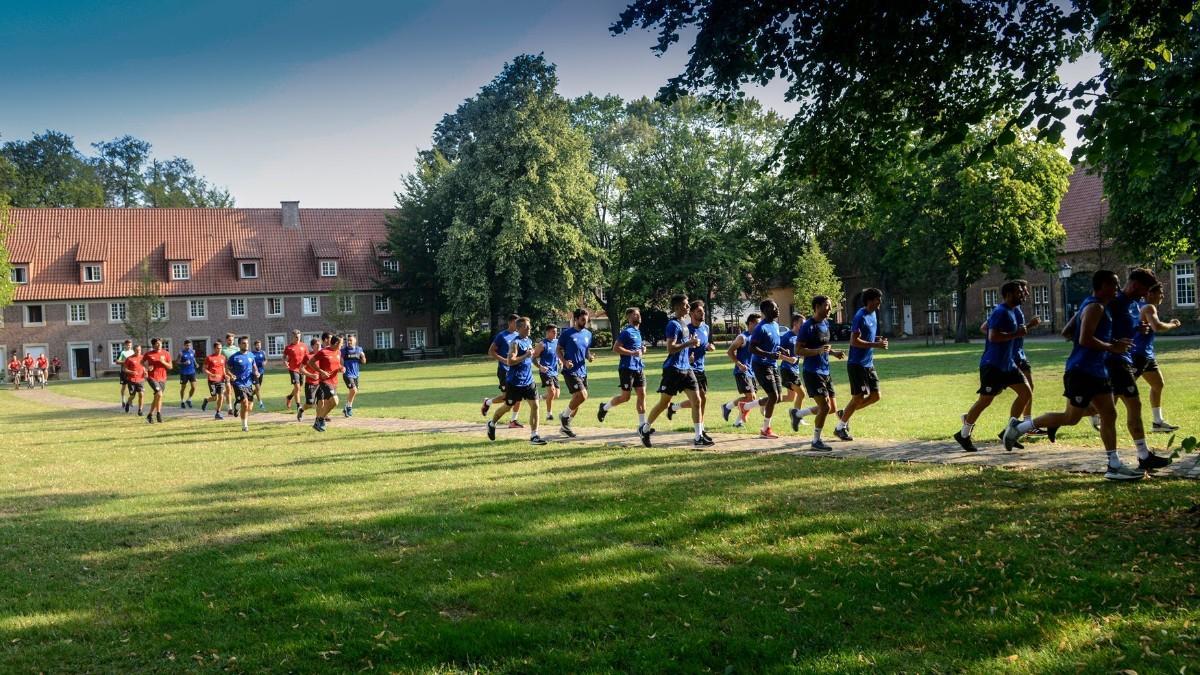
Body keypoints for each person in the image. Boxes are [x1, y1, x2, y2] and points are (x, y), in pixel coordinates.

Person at [1005, 271, 1146, 480]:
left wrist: (1105, 344)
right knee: (1071, 418)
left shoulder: (1099, 306)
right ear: (1102, 286)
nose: (1117, 289)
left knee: (1109, 414)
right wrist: (1110, 347)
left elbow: (1068, 332)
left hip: (1097, 369)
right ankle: (1020, 426)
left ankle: (1114, 465)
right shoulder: (1095, 306)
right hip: (1082, 371)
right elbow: (1084, 338)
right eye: (1114, 285)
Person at [952, 281, 1032, 453]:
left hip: (1008, 365)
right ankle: (963, 434)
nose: (1022, 294)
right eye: (1019, 292)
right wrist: (1017, 333)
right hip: (993, 365)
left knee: (1026, 393)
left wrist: (1022, 330)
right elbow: (993, 336)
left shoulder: (1012, 311)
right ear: (1009, 294)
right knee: (984, 401)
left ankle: (1009, 431)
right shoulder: (1000, 311)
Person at [639, 293, 709, 448]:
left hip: (686, 368)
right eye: (685, 305)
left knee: (697, 401)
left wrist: (690, 349)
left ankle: (698, 437)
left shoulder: (684, 323)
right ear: (677, 307)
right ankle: (645, 428)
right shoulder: (673, 325)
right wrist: (689, 343)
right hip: (673, 370)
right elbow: (670, 348)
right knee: (664, 403)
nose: (688, 307)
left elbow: (683, 345)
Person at [836, 289, 890, 440]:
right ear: (870, 300)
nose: (879, 303)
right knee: (858, 398)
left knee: (875, 396)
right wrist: (876, 344)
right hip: (856, 364)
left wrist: (877, 339)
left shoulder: (873, 313)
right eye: (877, 300)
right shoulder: (860, 316)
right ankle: (840, 427)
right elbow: (854, 341)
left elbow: (867, 335)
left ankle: (844, 414)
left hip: (868, 363)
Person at [797, 295, 847, 451]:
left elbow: (824, 346)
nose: (830, 309)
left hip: (825, 371)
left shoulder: (825, 324)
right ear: (817, 306)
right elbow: (798, 350)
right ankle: (816, 441)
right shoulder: (807, 326)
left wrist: (833, 353)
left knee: (832, 408)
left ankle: (798, 414)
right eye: (827, 306)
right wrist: (817, 351)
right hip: (812, 372)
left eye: (830, 306)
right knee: (824, 408)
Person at [486, 317, 547, 445]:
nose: (529, 328)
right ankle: (492, 423)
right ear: (519, 328)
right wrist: (525, 355)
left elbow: (532, 358)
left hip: (529, 381)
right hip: (514, 382)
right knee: (507, 407)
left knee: (535, 405)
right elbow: (510, 361)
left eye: (529, 326)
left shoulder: (529, 340)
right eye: (526, 326)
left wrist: (539, 366)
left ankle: (534, 435)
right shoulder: (515, 343)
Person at [1134, 282, 1183, 432]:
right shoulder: (1149, 307)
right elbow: (1157, 326)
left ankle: (1157, 422)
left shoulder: (1141, 306)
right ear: (1150, 293)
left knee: (1158, 384)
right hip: (1137, 355)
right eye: (1160, 292)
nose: (1162, 295)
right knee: (1119, 391)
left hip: (1146, 355)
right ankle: (1092, 411)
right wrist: (1173, 324)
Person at [667, 300, 716, 427]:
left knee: (702, 398)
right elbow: (679, 348)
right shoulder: (686, 329)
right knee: (699, 399)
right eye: (699, 311)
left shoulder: (706, 328)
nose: (702, 314)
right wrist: (688, 358)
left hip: (701, 367)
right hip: (688, 368)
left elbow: (703, 344)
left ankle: (674, 407)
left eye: (703, 311)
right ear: (692, 313)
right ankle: (700, 427)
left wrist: (709, 346)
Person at [597, 308, 647, 428]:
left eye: (638, 314)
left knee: (642, 394)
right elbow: (615, 348)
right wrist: (632, 353)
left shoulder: (638, 332)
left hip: (639, 367)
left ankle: (642, 426)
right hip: (627, 368)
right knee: (625, 397)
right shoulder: (627, 332)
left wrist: (642, 350)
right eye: (635, 314)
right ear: (628, 318)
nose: (638, 316)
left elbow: (637, 349)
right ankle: (604, 407)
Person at [747, 300, 786, 439]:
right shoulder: (760, 328)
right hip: (761, 365)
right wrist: (769, 354)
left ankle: (746, 406)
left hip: (773, 364)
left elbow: (773, 344)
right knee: (773, 396)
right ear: (765, 311)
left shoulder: (775, 325)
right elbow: (752, 348)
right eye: (774, 308)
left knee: (778, 398)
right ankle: (765, 429)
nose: (777, 309)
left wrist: (782, 350)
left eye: (777, 306)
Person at [557, 308, 595, 438]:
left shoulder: (588, 334)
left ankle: (565, 427)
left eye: (587, 319)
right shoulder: (567, 334)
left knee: (578, 400)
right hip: (570, 371)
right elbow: (558, 349)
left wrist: (589, 357)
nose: (585, 321)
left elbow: (586, 351)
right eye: (583, 319)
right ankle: (565, 417)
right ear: (576, 319)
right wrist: (564, 361)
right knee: (582, 395)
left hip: (582, 371)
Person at [777, 312, 818, 431]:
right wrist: (789, 359)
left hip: (795, 370)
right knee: (802, 394)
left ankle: (766, 402)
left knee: (790, 398)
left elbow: (800, 353)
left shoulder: (799, 337)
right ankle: (798, 417)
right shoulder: (786, 337)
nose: (804, 326)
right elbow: (777, 354)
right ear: (795, 323)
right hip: (787, 369)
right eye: (802, 323)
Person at [481, 315, 524, 428]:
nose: (519, 326)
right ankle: (487, 402)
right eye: (516, 323)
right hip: (504, 371)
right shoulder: (501, 336)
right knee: (506, 397)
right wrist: (504, 360)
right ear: (510, 323)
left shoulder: (519, 336)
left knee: (519, 395)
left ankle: (513, 420)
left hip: (516, 371)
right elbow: (491, 351)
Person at [721, 313, 761, 428]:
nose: (759, 327)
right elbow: (729, 351)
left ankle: (737, 421)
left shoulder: (756, 338)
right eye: (757, 324)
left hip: (751, 372)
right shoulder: (742, 337)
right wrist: (739, 364)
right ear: (751, 323)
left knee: (751, 399)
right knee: (751, 398)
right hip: (742, 371)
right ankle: (728, 408)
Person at [308, 334, 345, 432]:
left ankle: (319, 420)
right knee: (335, 401)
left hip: (334, 381)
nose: (343, 344)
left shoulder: (338, 352)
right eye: (341, 343)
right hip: (325, 381)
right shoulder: (323, 352)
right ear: (336, 343)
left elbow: (337, 364)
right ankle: (320, 419)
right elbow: (310, 362)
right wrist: (321, 371)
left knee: (331, 403)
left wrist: (341, 368)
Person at [228, 336, 259, 432]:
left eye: (247, 343)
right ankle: (244, 426)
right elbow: (227, 368)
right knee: (245, 404)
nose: (246, 345)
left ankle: (237, 405)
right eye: (244, 343)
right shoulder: (234, 357)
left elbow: (254, 366)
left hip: (248, 383)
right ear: (239, 344)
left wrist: (256, 372)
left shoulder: (251, 355)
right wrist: (231, 375)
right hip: (238, 383)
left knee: (249, 407)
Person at [142, 337, 173, 424]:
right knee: (159, 394)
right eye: (157, 344)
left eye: (160, 343)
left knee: (158, 396)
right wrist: (147, 368)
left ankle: (150, 415)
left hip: (163, 378)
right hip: (152, 377)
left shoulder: (166, 353)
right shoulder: (148, 354)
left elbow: (170, 367)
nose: (159, 345)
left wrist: (163, 362)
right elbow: (142, 363)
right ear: (153, 345)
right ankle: (159, 414)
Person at [537, 324, 560, 421]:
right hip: (545, 372)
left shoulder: (557, 342)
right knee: (551, 392)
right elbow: (533, 357)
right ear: (547, 332)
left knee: (556, 394)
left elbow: (558, 354)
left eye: (556, 332)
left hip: (554, 372)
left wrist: (560, 361)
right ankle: (549, 414)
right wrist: (540, 366)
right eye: (553, 332)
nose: (556, 333)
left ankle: (539, 397)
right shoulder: (542, 344)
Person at [340, 334, 367, 417]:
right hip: (347, 374)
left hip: (356, 374)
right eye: (348, 340)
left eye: (351, 340)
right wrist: (342, 368)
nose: (349, 342)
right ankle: (349, 408)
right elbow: (341, 361)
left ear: (355, 341)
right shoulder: (344, 350)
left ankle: (346, 407)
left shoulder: (359, 349)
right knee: (354, 390)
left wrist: (362, 357)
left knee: (353, 392)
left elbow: (364, 361)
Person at [296, 338, 322, 422]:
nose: (319, 347)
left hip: (321, 383)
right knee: (310, 403)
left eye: (320, 345)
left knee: (321, 401)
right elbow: (301, 369)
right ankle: (301, 410)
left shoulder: (322, 356)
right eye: (316, 345)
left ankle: (318, 419)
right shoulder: (308, 356)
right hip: (310, 383)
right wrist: (311, 375)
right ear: (312, 346)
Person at [201, 342, 228, 420]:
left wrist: (225, 375)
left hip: (221, 380)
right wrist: (211, 374)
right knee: (214, 398)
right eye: (218, 348)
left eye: (220, 348)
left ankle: (218, 413)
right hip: (212, 380)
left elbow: (223, 368)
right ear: (214, 348)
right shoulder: (209, 358)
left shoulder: (223, 357)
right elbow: (204, 369)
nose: (219, 350)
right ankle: (206, 400)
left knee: (221, 396)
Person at [283, 330, 308, 410]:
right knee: (297, 387)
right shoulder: (288, 347)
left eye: (299, 337)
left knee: (299, 387)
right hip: (293, 369)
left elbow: (307, 357)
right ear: (293, 337)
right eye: (296, 337)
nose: (298, 338)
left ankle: (289, 397)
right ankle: (298, 405)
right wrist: (285, 362)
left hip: (302, 369)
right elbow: (284, 356)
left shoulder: (304, 346)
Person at [122, 345, 146, 415]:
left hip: (141, 379)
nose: (138, 351)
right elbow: (124, 369)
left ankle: (140, 410)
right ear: (134, 350)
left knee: (141, 394)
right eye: (137, 350)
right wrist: (131, 372)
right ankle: (128, 403)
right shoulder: (129, 359)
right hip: (131, 380)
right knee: (132, 395)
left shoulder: (143, 358)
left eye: (140, 350)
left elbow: (144, 366)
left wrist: (145, 371)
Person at [177, 340, 198, 408]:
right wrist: (184, 363)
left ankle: (189, 399)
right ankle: (182, 401)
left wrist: (196, 363)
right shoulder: (181, 353)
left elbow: (193, 358)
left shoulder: (192, 351)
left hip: (192, 372)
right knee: (183, 388)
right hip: (184, 373)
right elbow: (177, 362)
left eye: (189, 345)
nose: (188, 347)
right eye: (187, 345)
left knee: (194, 387)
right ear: (184, 345)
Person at [115, 339, 134, 405]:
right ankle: (123, 399)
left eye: (130, 345)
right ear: (125, 345)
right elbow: (117, 361)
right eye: (128, 345)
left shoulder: (133, 352)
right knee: (124, 386)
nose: (129, 346)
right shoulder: (122, 352)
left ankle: (130, 400)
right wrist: (126, 362)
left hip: (131, 372)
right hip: (124, 372)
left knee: (132, 387)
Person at [250, 339, 268, 411]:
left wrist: (265, 363)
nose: (259, 346)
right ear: (255, 346)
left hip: (261, 372)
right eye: (257, 345)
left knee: (258, 388)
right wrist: (254, 371)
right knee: (257, 388)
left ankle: (249, 395)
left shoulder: (263, 352)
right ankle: (261, 403)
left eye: (260, 345)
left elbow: (266, 359)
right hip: (254, 373)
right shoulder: (251, 353)